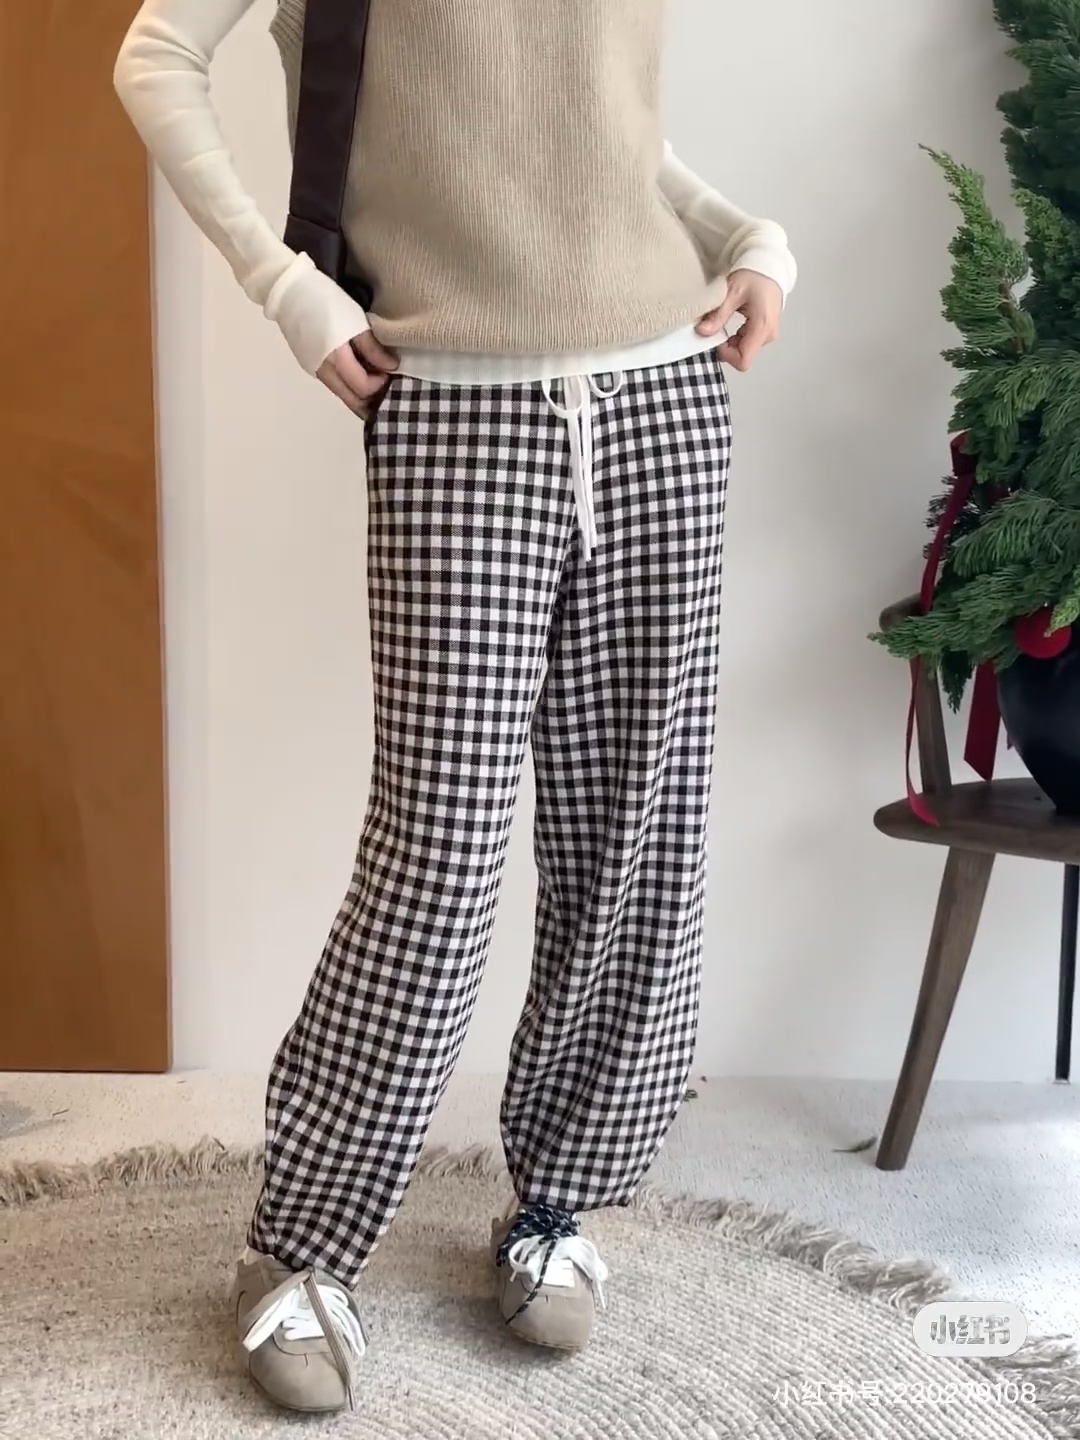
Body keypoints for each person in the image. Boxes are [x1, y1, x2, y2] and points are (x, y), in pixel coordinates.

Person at [115, 0, 797, 1416]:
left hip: (668, 396)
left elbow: (595, 135)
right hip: (457, 411)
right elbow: (156, 55)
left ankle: (557, 1198)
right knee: (439, 850)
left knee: (634, 832)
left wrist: (745, 234)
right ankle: (304, 1240)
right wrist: (288, 289)